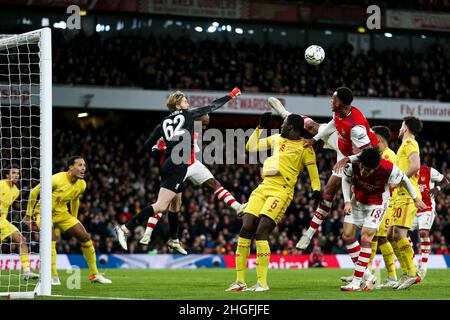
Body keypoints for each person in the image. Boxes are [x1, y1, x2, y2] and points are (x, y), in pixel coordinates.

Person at [115, 88, 241, 250]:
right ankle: (125, 228)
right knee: (161, 206)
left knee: (176, 204)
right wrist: (231, 95)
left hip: (170, 163)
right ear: (178, 105)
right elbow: (212, 106)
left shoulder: (163, 123)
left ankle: (174, 239)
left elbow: (147, 145)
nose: (188, 103)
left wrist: (161, 149)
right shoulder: (188, 115)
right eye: (185, 101)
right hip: (178, 165)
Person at [268, 87, 378, 251]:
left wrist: (350, 163)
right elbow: (333, 123)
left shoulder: (357, 129)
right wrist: (314, 140)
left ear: (340, 103)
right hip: (342, 143)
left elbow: (368, 155)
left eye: (333, 98)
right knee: (312, 126)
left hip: (355, 158)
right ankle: (286, 114)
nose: (330, 101)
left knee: (329, 190)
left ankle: (309, 233)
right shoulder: (340, 112)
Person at [226, 112, 321, 292]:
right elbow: (250, 146)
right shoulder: (277, 138)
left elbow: (313, 171)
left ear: (292, 127)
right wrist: (260, 128)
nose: (281, 126)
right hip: (263, 187)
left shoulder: (305, 147)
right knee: (246, 228)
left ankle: (262, 284)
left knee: (261, 231)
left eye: (284, 123)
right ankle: (240, 281)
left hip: (282, 191)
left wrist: (316, 190)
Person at [139, 114, 246, 254]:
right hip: (177, 168)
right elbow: (155, 148)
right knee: (165, 203)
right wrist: (160, 149)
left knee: (214, 183)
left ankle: (237, 207)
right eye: (203, 124)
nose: (204, 127)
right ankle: (147, 233)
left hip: (192, 163)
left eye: (206, 125)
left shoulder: (194, 130)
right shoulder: (177, 129)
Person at [340, 147, 427, 291]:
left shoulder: (388, 169)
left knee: (366, 237)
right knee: (347, 235)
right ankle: (367, 276)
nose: (363, 172)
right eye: (362, 168)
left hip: (377, 204)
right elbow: (346, 179)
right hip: (358, 201)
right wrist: (347, 201)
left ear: (375, 168)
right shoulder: (352, 164)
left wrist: (415, 198)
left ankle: (356, 282)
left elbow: (405, 179)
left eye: (368, 171)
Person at [25, 156, 112, 284]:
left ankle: (95, 274)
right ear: (70, 167)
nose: (83, 168)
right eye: (80, 165)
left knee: (85, 238)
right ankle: (53, 276)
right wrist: (28, 215)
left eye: (84, 165)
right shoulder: (56, 179)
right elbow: (33, 192)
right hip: (43, 213)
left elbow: (75, 199)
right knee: (51, 239)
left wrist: (74, 218)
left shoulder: (82, 184)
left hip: (63, 214)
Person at [388, 116, 424, 289]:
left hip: (408, 196)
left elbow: (415, 165)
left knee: (399, 235)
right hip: (399, 196)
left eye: (402, 125)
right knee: (390, 235)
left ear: (406, 128)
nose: (400, 128)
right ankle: (406, 272)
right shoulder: (405, 144)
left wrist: (400, 180)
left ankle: (411, 273)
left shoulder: (409, 142)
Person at [0, 165, 39, 281]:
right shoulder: (1, 184)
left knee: (22, 241)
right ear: (7, 174)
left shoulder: (16, 191)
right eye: (13, 173)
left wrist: (26, 216)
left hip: (2, 221)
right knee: (21, 240)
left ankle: (27, 271)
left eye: (18, 173)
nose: (16, 175)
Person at [411, 165, 449, 279]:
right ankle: (413, 262)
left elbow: (445, 181)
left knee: (423, 233)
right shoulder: (407, 171)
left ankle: (424, 266)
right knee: (400, 233)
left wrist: (437, 189)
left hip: (426, 208)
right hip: (412, 208)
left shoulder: (429, 171)